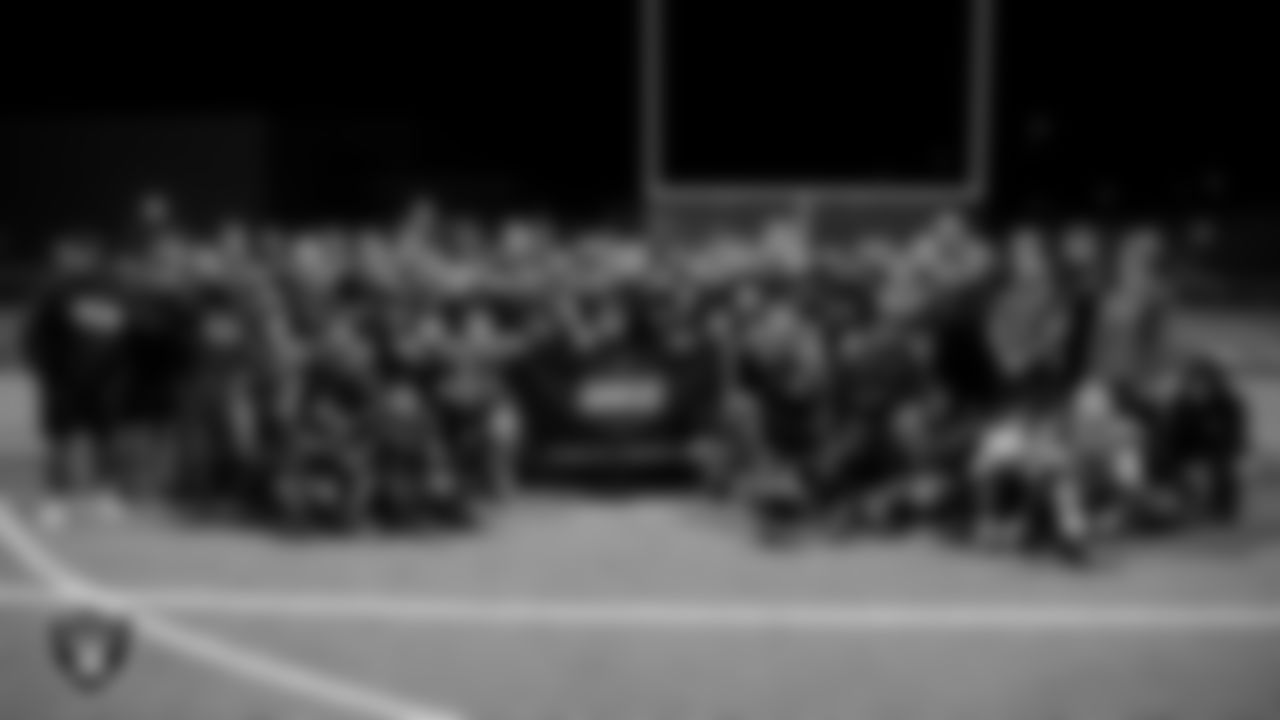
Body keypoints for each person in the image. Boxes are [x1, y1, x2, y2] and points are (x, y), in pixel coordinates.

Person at [22, 238, 133, 520]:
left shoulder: (113, 293)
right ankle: (56, 498)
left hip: (105, 382)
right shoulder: (56, 293)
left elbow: (127, 337)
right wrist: (46, 371)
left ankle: (105, 494)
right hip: (64, 382)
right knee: (61, 440)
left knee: (106, 439)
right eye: (70, 257)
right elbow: (36, 336)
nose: (76, 263)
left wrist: (121, 372)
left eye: (81, 257)